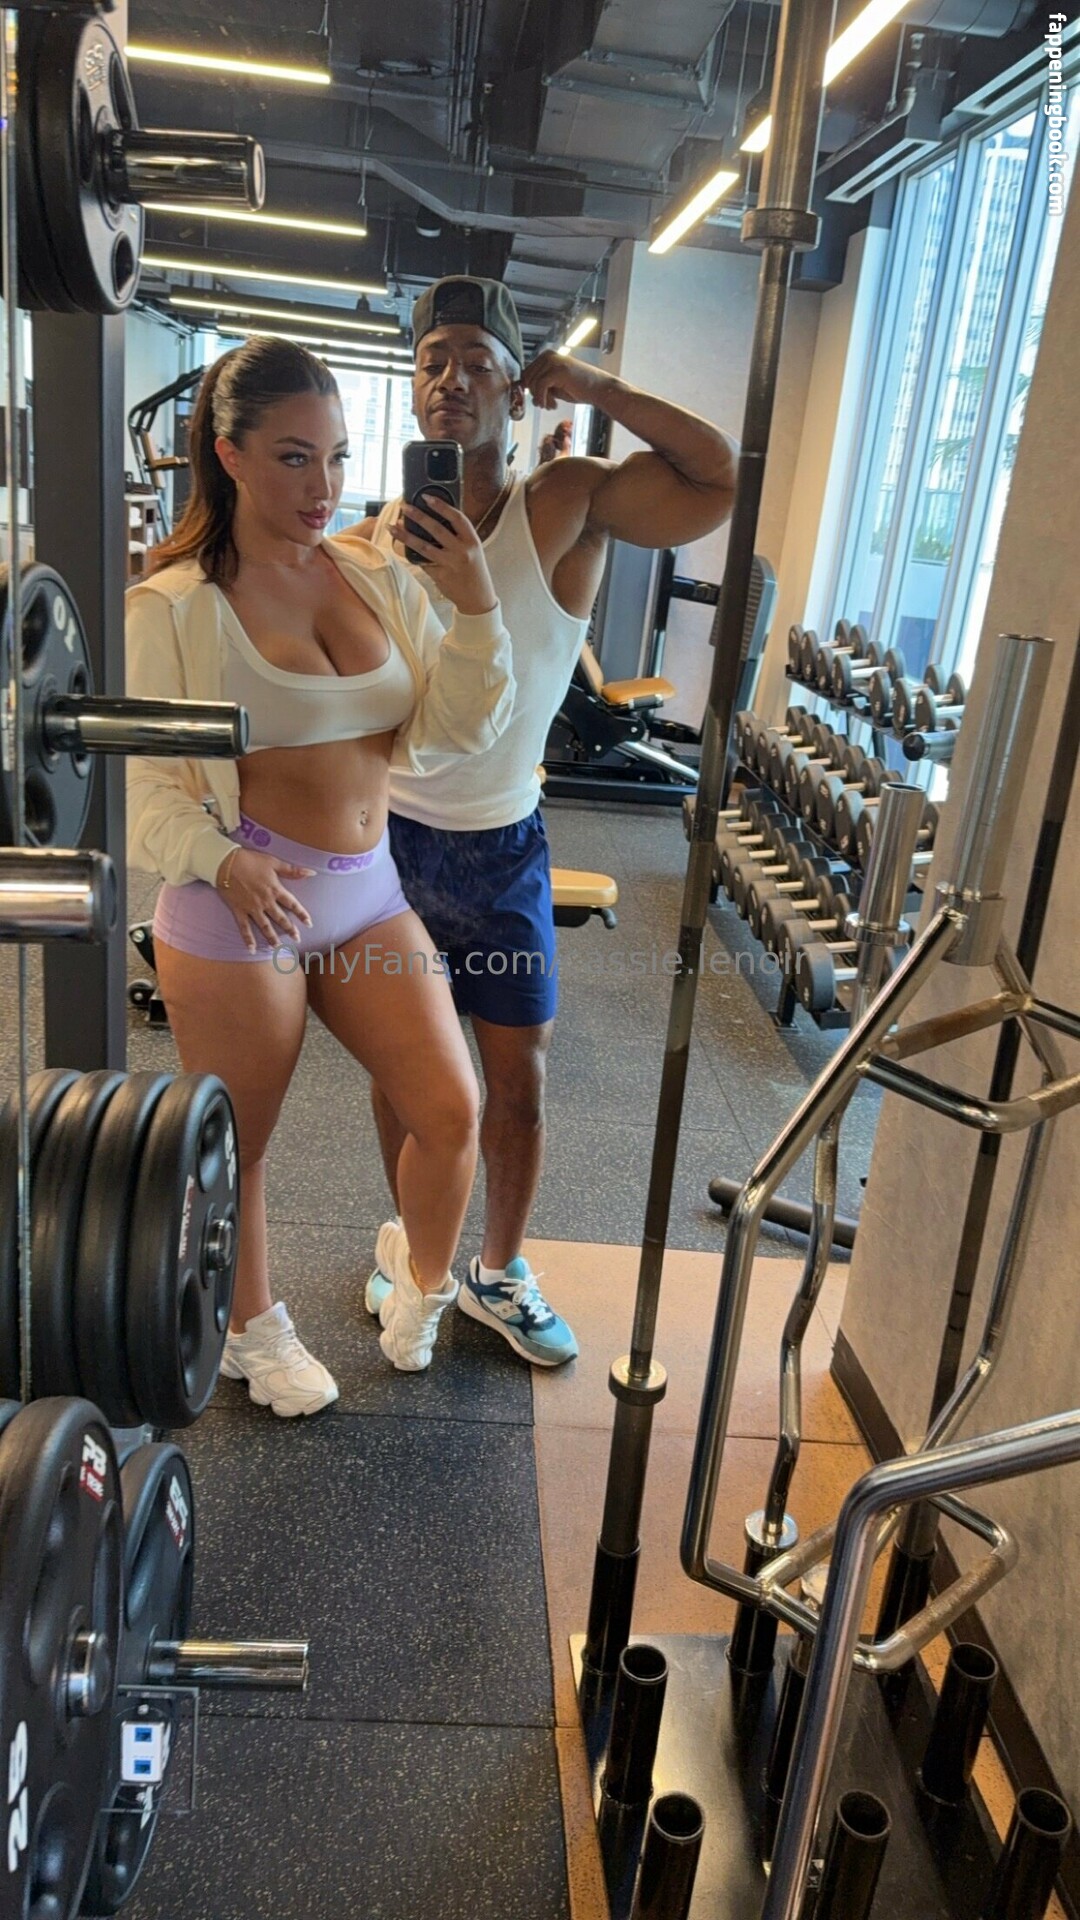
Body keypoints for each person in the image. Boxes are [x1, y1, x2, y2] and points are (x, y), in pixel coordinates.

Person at [348, 276, 738, 1367]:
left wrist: (601, 386)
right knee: (404, 1076)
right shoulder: (379, 531)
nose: (451, 380)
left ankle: (498, 1268)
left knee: (514, 1086)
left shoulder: (564, 502)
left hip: (502, 849)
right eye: (433, 361)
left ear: (517, 389)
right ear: (413, 388)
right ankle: (418, 1245)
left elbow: (716, 479)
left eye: (478, 361)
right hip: (390, 846)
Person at [125, 335, 516, 1412]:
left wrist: (476, 605)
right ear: (230, 455)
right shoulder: (174, 606)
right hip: (239, 906)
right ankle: (249, 1328)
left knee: (451, 1108)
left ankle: (422, 1281)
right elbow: (138, 787)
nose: (324, 486)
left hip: (366, 890)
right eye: (294, 458)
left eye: (338, 457)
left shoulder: (375, 572)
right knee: (242, 1146)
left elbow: (452, 734)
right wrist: (221, 861)